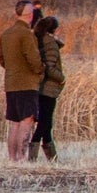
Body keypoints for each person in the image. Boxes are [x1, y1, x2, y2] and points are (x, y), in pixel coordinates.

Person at [0, 0, 43, 164]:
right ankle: (22, 158)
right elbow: (34, 60)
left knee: (15, 122)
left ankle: (12, 159)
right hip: (26, 84)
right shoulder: (26, 34)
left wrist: (13, 69)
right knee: (27, 120)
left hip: (10, 83)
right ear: (30, 15)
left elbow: (1, 59)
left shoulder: (6, 34)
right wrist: (40, 70)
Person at [29, 15, 65, 161]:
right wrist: (61, 78)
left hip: (41, 87)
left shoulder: (39, 40)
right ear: (53, 29)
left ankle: (52, 158)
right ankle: (32, 155)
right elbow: (49, 67)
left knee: (46, 122)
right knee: (45, 122)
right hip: (48, 88)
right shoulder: (50, 43)